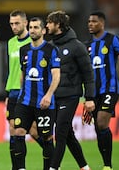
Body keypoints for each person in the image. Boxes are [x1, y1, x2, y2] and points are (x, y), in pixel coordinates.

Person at [46, 10, 95, 170]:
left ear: (57, 25)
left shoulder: (77, 47)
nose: (46, 26)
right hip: (54, 97)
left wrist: (89, 98)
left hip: (71, 96)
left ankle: (53, 167)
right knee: (67, 134)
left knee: (60, 131)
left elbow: (88, 74)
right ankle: (84, 167)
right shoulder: (50, 47)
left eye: (49, 22)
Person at [13, 17, 60, 170]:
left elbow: (56, 75)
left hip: (44, 102)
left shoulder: (51, 50)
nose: (32, 30)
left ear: (43, 31)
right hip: (25, 101)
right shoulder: (23, 50)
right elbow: (22, 74)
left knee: (47, 137)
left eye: (36, 27)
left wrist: (48, 95)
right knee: (18, 132)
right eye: (31, 27)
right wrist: (21, 92)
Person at [87, 11, 119, 170]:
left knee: (101, 121)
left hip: (110, 88)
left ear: (102, 23)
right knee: (99, 128)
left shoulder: (112, 39)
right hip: (93, 93)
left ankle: (108, 165)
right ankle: (107, 164)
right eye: (89, 22)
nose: (90, 24)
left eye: (93, 21)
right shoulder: (88, 45)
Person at [4, 10, 44, 169]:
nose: (14, 27)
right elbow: (12, 70)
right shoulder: (11, 42)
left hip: (29, 92)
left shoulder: (34, 42)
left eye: (17, 23)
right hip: (13, 92)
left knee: (34, 131)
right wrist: (8, 93)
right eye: (12, 24)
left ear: (25, 23)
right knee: (14, 131)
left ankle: (53, 157)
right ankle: (18, 167)